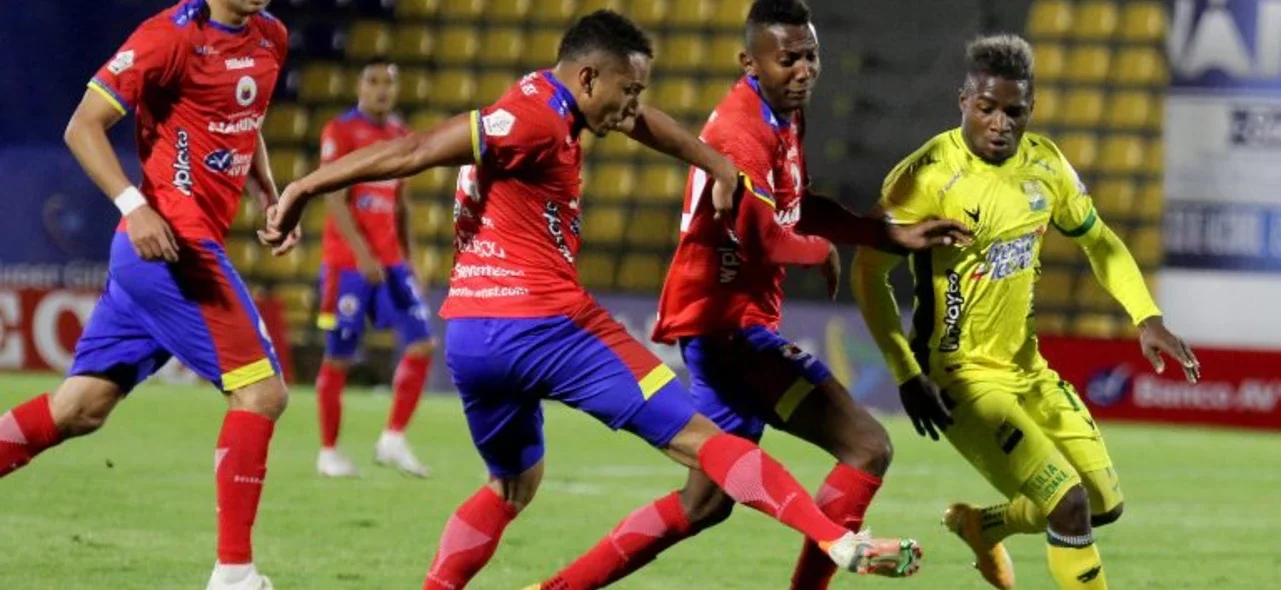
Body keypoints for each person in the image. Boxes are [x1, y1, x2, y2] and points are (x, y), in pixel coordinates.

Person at [264, 10, 915, 590]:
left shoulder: (545, 97)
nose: (631, 106)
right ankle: (836, 540)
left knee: (512, 484)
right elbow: (414, 150)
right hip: (546, 323)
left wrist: (713, 163)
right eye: (627, 91)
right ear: (588, 77)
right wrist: (304, 188)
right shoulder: (533, 119)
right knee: (703, 439)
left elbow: (643, 124)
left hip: (470, 336)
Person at [533, 2, 972, 588]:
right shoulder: (741, 132)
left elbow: (795, 205)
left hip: (722, 327)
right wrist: (820, 250)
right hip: (729, 329)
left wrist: (884, 234)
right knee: (867, 448)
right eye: (788, 59)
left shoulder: (784, 113)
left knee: (704, 504)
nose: (804, 70)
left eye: (811, 56)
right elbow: (761, 235)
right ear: (750, 63)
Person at [852, 34, 1201, 590]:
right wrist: (906, 373)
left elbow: (1099, 240)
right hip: (959, 377)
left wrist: (1146, 316)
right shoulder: (928, 174)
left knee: (1103, 504)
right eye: (986, 108)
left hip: (1027, 369)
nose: (1000, 123)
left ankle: (982, 525)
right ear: (963, 100)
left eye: (1013, 111)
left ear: (1030, 109)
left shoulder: (1046, 164)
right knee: (1069, 504)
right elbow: (868, 270)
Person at [0, 1, 295, 589]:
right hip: (170, 247)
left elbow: (245, 116)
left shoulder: (271, 36)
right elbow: (82, 126)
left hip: (158, 258)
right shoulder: (168, 37)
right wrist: (133, 207)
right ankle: (234, 574)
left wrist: (267, 190)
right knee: (261, 393)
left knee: (79, 408)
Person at [313, 56, 435, 478]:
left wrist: (412, 259)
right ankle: (329, 451)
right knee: (339, 356)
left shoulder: (402, 135)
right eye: (374, 81)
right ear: (360, 86)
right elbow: (333, 196)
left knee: (422, 343)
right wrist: (362, 254)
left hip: (392, 263)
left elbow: (402, 204)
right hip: (348, 264)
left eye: (389, 82)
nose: (382, 89)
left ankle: (393, 438)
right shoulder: (341, 130)